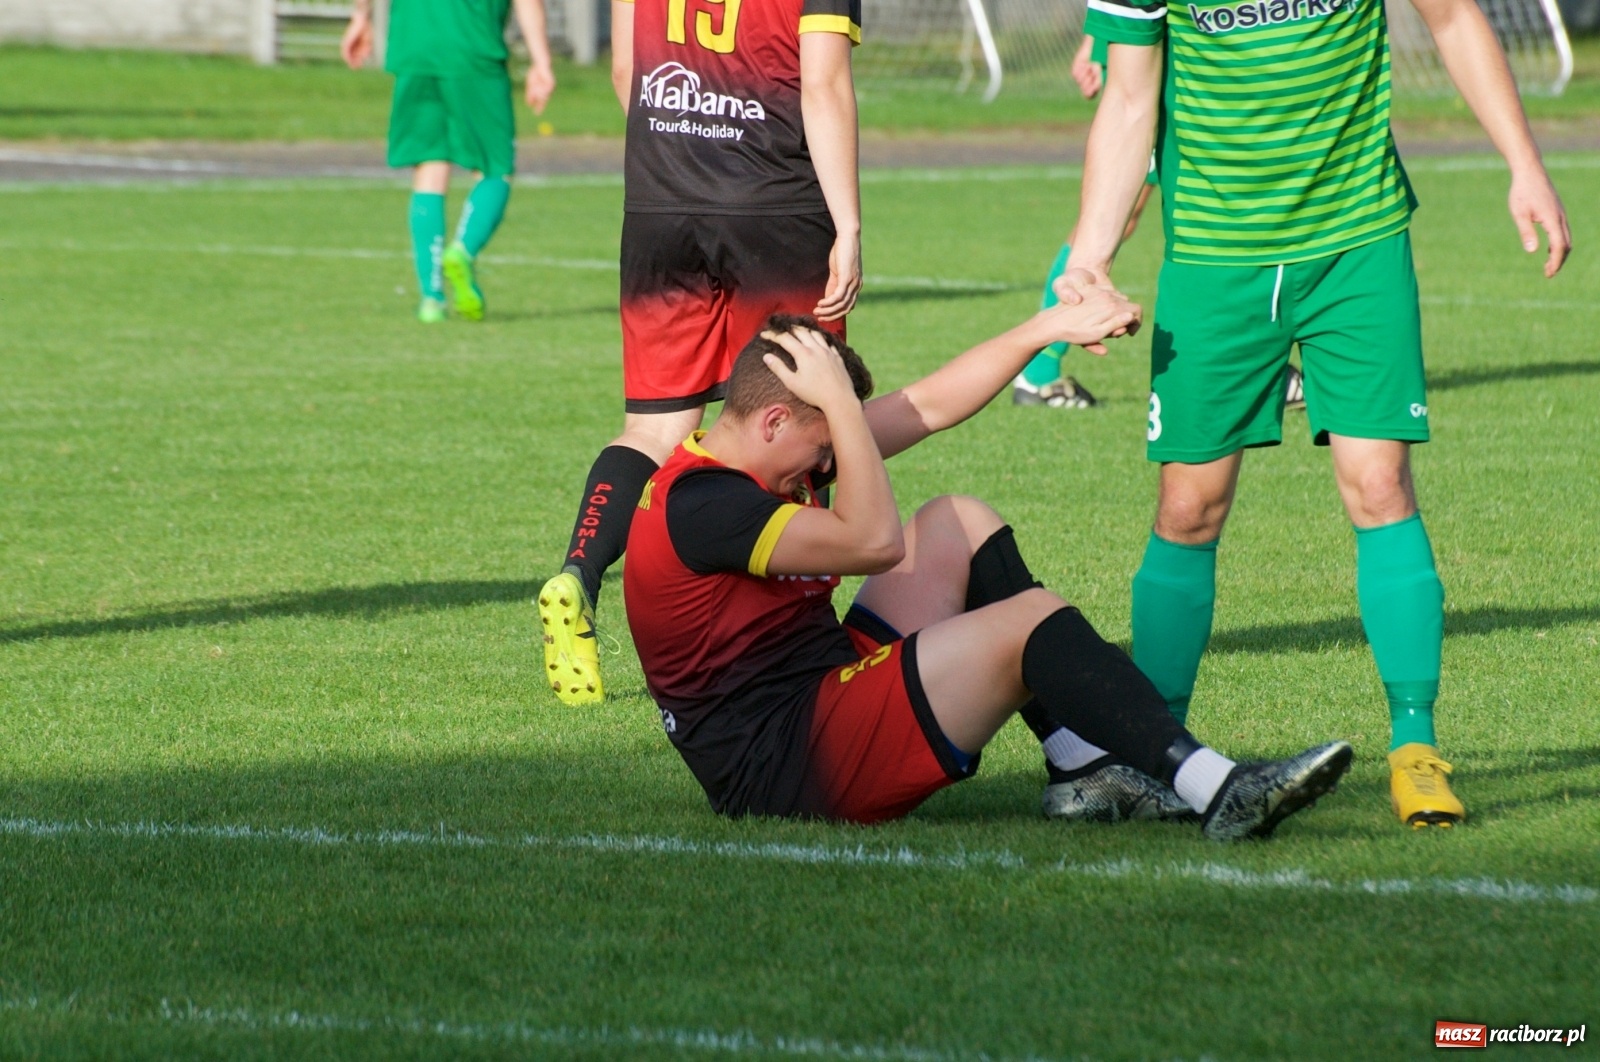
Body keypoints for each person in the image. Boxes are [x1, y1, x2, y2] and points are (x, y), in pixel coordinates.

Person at [1065, 0, 1571, 827]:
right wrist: (1089, 260)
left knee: (1379, 483)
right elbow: (1129, 101)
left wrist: (1525, 163)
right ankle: (1155, 754)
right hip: (1213, 256)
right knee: (1188, 507)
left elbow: (1451, 17)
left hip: (1357, 240)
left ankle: (1416, 749)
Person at [622, 307, 1353, 835]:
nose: (826, 464)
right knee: (1025, 624)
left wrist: (1048, 327)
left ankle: (1083, 773)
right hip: (784, 765)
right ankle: (1216, 787)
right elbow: (874, 542)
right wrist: (842, 409)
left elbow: (930, 406)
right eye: (822, 447)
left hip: (812, 698)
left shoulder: (758, 452)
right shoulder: (706, 504)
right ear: (775, 422)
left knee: (956, 520)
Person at [538, 0, 864, 705]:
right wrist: (849, 224)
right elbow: (824, 85)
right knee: (804, 419)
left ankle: (578, 575)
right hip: (773, 206)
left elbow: (626, 67)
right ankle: (801, 632)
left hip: (661, 207)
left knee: (653, 429)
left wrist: (683, 163)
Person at [1015, 33, 1305, 412]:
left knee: (1214, 203)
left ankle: (1260, 365)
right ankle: (1038, 373)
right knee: (1145, 211)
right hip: (1175, 62)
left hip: (1214, 59)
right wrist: (1096, 39)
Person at [342, 0, 556, 323]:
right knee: (496, 167)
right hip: (472, 48)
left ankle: (431, 299)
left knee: (430, 164)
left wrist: (361, 17)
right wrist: (541, 61)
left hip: (414, 48)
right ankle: (462, 250)